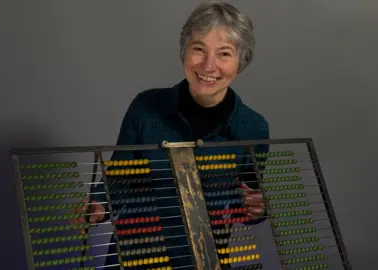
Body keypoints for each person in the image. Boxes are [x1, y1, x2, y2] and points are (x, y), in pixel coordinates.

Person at [72, 1, 270, 269]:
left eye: (224, 54)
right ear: (184, 51)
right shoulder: (145, 108)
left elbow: (247, 202)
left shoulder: (253, 128)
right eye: (199, 49)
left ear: (240, 61)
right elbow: (119, 180)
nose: (209, 66)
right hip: (134, 259)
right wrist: (99, 206)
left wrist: (257, 210)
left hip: (203, 262)